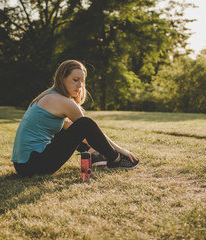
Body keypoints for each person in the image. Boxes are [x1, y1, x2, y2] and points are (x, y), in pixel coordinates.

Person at [11, 60, 139, 177]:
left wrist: (95, 148)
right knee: (85, 123)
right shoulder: (62, 101)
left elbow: (75, 131)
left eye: (82, 81)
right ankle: (116, 160)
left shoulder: (48, 95)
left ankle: (96, 155)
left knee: (70, 127)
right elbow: (89, 130)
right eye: (75, 80)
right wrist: (120, 150)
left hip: (23, 166)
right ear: (62, 78)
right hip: (34, 165)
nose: (80, 85)